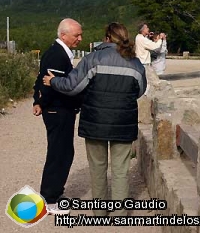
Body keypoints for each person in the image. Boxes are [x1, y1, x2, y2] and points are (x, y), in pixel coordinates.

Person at [43, 22, 147, 217]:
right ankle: (120, 212)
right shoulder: (136, 63)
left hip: (95, 121)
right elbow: (139, 91)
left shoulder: (93, 59)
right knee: (121, 169)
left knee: (98, 167)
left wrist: (53, 81)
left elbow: (72, 86)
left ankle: (99, 210)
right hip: (123, 123)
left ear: (107, 38)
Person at [32, 18, 83, 215]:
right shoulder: (57, 55)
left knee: (64, 152)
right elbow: (51, 84)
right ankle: (50, 198)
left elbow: (40, 77)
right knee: (58, 153)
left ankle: (55, 192)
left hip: (60, 110)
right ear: (63, 35)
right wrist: (42, 102)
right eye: (76, 35)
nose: (80, 38)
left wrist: (37, 101)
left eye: (80, 34)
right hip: (58, 110)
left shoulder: (59, 52)